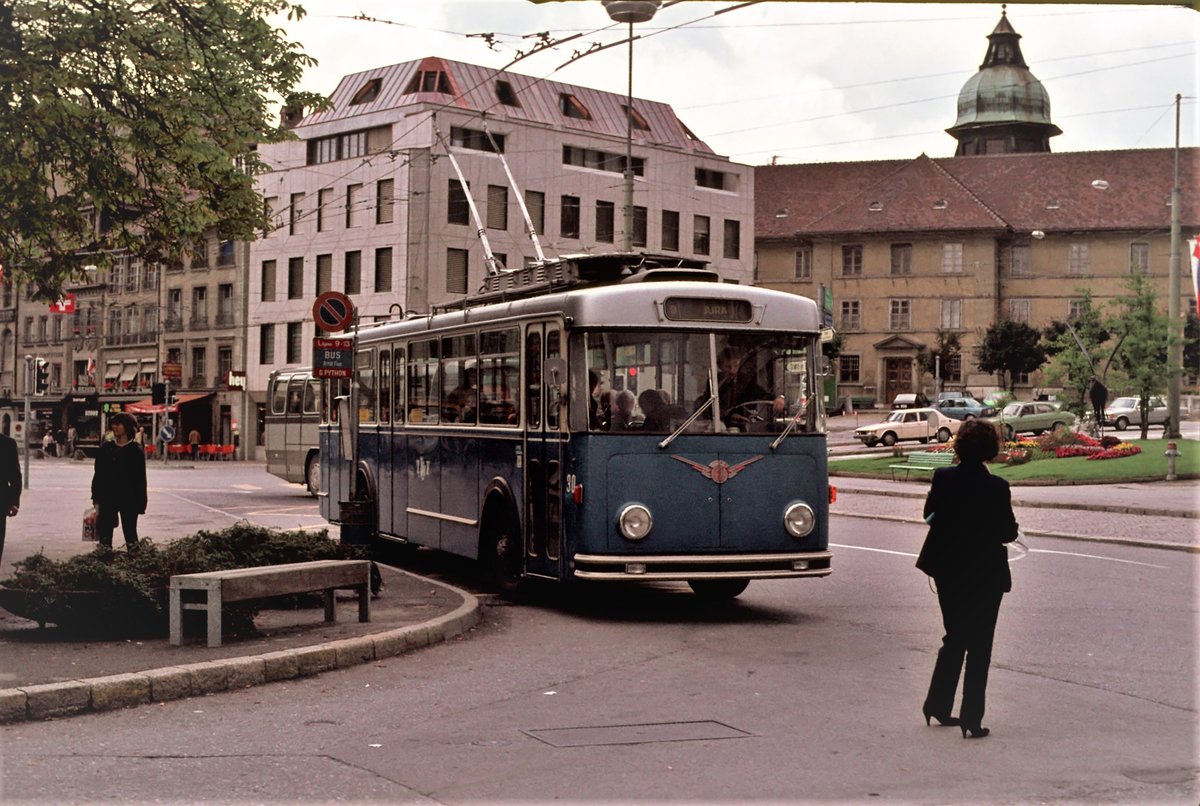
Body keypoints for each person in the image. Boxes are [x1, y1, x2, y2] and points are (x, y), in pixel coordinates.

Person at [917, 418, 1019, 739]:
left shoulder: (943, 478)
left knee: (955, 636)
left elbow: (929, 515)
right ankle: (971, 718)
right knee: (980, 645)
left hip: (948, 569)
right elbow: (1007, 532)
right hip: (985, 572)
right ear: (990, 450)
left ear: (960, 446)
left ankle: (937, 704)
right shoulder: (997, 487)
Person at [91, 412, 148, 551]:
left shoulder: (135, 451)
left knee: (130, 534)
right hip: (107, 497)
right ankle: (104, 559)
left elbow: (140, 479)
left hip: (129, 498)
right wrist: (96, 498)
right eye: (113, 424)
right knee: (104, 535)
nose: (115, 427)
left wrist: (141, 503)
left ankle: (135, 559)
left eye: (118, 424)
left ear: (127, 427)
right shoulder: (106, 449)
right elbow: (98, 475)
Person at [0, 430, 21, 565]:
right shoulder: (7, 443)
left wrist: (14, 501)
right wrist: (14, 502)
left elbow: (15, 475)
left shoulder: (8, 443)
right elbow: (15, 475)